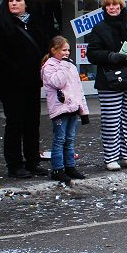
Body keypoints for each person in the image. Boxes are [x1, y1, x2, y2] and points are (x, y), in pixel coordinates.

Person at [86, 0, 127, 171]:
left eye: (115, 5)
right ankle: (111, 157)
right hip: (110, 80)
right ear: (104, 8)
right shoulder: (99, 28)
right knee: (111, 120)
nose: (112, 8)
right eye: (108, 5)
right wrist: (111, 56)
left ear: (122, 6)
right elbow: (92, 54)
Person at [0, 0, 50, 178]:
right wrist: (17, 69)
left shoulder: (35, 23)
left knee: (32, 122)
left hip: (33, 82)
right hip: (12, 83)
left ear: (26, 3)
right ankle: (15, 165)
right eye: (10, 0)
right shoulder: (0, 25)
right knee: (15, 123)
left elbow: (43, 46)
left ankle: (32, 161)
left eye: (18, 0)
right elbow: (1, 55)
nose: (14, 3)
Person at [41, 36, 89, 183]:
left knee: (70, 139)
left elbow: (78, 90)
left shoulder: (71, 66)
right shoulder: (49, 67)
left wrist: (84, 110)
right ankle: (58, 169)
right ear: (53, 50)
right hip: (60, 109)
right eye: (63, 50)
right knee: (59, 139)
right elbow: (58, 82)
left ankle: (70, 167)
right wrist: (63, 65)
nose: (67, 53)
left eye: (68, 50)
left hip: (73, 108)